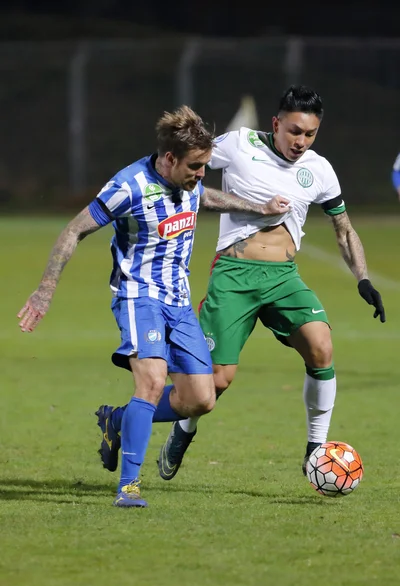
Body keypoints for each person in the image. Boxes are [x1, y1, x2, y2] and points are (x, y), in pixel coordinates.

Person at [96, 87, 386, 482]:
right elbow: (186, 158)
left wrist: (363, 278)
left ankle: (315, 449)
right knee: (212, 386)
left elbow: (344, 230)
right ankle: (142, 422)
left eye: (310, 134)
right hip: (233, 276)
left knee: (322, 347)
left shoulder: (319, 169)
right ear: (276, 123)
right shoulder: (238, 144)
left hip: (284, 278)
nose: (301, 142)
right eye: (294, 131)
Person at [17, 105, 290, 508]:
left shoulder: (191, 181)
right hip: (138, 296)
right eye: (195, 166)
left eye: (205, 166)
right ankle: (128, 487)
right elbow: (75, 229)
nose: (201, 174)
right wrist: (45, 288)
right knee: (152, 381)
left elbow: (205, 196)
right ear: (168, 159)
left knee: (201, 398)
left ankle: (118, 420)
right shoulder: (128, 186)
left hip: (178, 300)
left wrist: (258, 208)